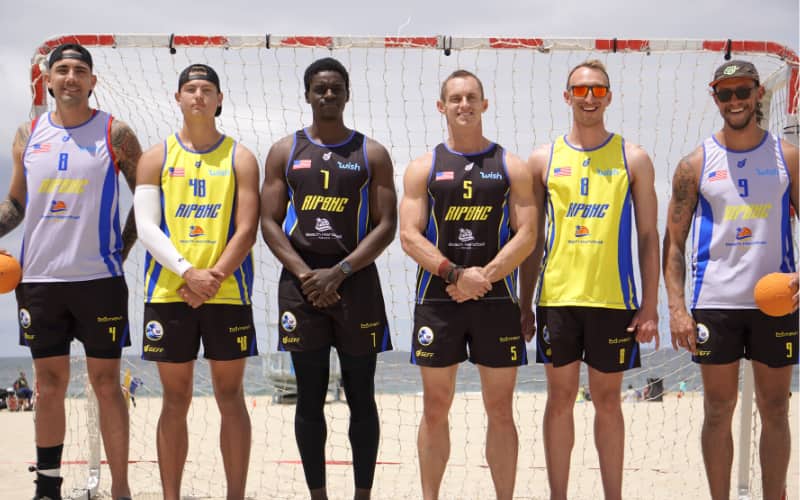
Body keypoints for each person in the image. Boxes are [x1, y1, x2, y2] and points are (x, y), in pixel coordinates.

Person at [0, 43, 140, 500]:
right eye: (62, 70)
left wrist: (124, 245)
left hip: (99, 280)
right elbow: (17, 205)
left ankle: (120, 487)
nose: (71, 77)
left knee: (107, 386)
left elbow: (147, 198)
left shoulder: (115, 133)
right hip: (39, 281)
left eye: (80, 70)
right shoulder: (27, 133)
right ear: (49, 80)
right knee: (48, 385)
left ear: (92, 81)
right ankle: (48, 486)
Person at [519, 59, 660, 500]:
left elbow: (648, 235)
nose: (588, 98)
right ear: (567, 96)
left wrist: (650, 305)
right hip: (558, 298)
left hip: (614, 300)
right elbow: (531, 240)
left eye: (597, 90)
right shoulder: (544, 158)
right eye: (580, 90)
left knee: (608, 403)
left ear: (609, 97)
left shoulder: (632, 156)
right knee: (559, 402)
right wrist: (525, 305)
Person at [261, 57, 396, 500]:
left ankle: (362, 494)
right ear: (307, 95)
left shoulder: (370, 153)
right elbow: (269, 222)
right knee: (309, 397)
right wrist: (306, 276)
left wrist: (338, 272)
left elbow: (386, 225)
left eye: (336, 88)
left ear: (347, 93)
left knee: (361, 395)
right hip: (302, 288)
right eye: (320, 88)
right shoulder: (285, 151)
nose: (328, 95)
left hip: (355, 283)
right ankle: (317, 494)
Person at [399, 69, 538, 500]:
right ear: (442, 107)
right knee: (435, 408)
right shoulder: (424, 167)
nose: (464, 105)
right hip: (438, 299)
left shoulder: (510, 165)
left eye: (471, 97)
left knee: (500, 409)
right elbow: (409, 235)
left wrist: (485, 277)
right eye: (455, 99)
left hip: (496, 300)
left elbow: (528, 234)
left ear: (484, 104)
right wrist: (457, 275)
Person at [663, 60, 798, 500]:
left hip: (774, 302)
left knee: (776, 408)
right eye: (726, 93)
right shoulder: (695, 163)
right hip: (715, 303)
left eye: (743, 91)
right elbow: (674, 243)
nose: (735, 100)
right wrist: (678, 308)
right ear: (714, 97)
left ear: (759, 93)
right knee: (718, 410)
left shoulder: (788, 156)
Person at [134, 63, 259, 500]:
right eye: (191, 89)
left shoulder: (240, 157)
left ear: (220, 99)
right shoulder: (156, 156)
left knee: (231, 396)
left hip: (227, 292)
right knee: (175, 398)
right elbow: (147, 229)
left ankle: (236, 495)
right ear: (178, 98)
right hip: (170, 291)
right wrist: (188, 273)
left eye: (207, 89)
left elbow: (246, 229)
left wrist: (213, 277)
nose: (199, 96)